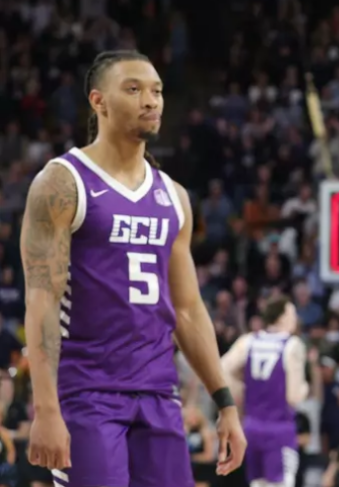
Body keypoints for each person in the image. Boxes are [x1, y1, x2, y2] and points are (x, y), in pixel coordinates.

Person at [19, 50, 247, 486]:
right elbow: (42, 300)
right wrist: (46, 408)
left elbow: (187, 309)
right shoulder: (63, 182)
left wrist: (226, 403)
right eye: (134, 89)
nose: (151, 100)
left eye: (157, 91)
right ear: (98, 101)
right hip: (87, 394)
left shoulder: (174, 196)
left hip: (159, 394)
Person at [221, 299, 308, 487]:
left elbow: (222, 369)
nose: (295, 319)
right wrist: (305, 388)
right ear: (282, 317)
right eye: (292, 314)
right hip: (279, 429)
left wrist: (241, 390)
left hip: (252, 427)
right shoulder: (293, 345)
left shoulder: (248, 341)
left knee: (257, 484)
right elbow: (293, 397)